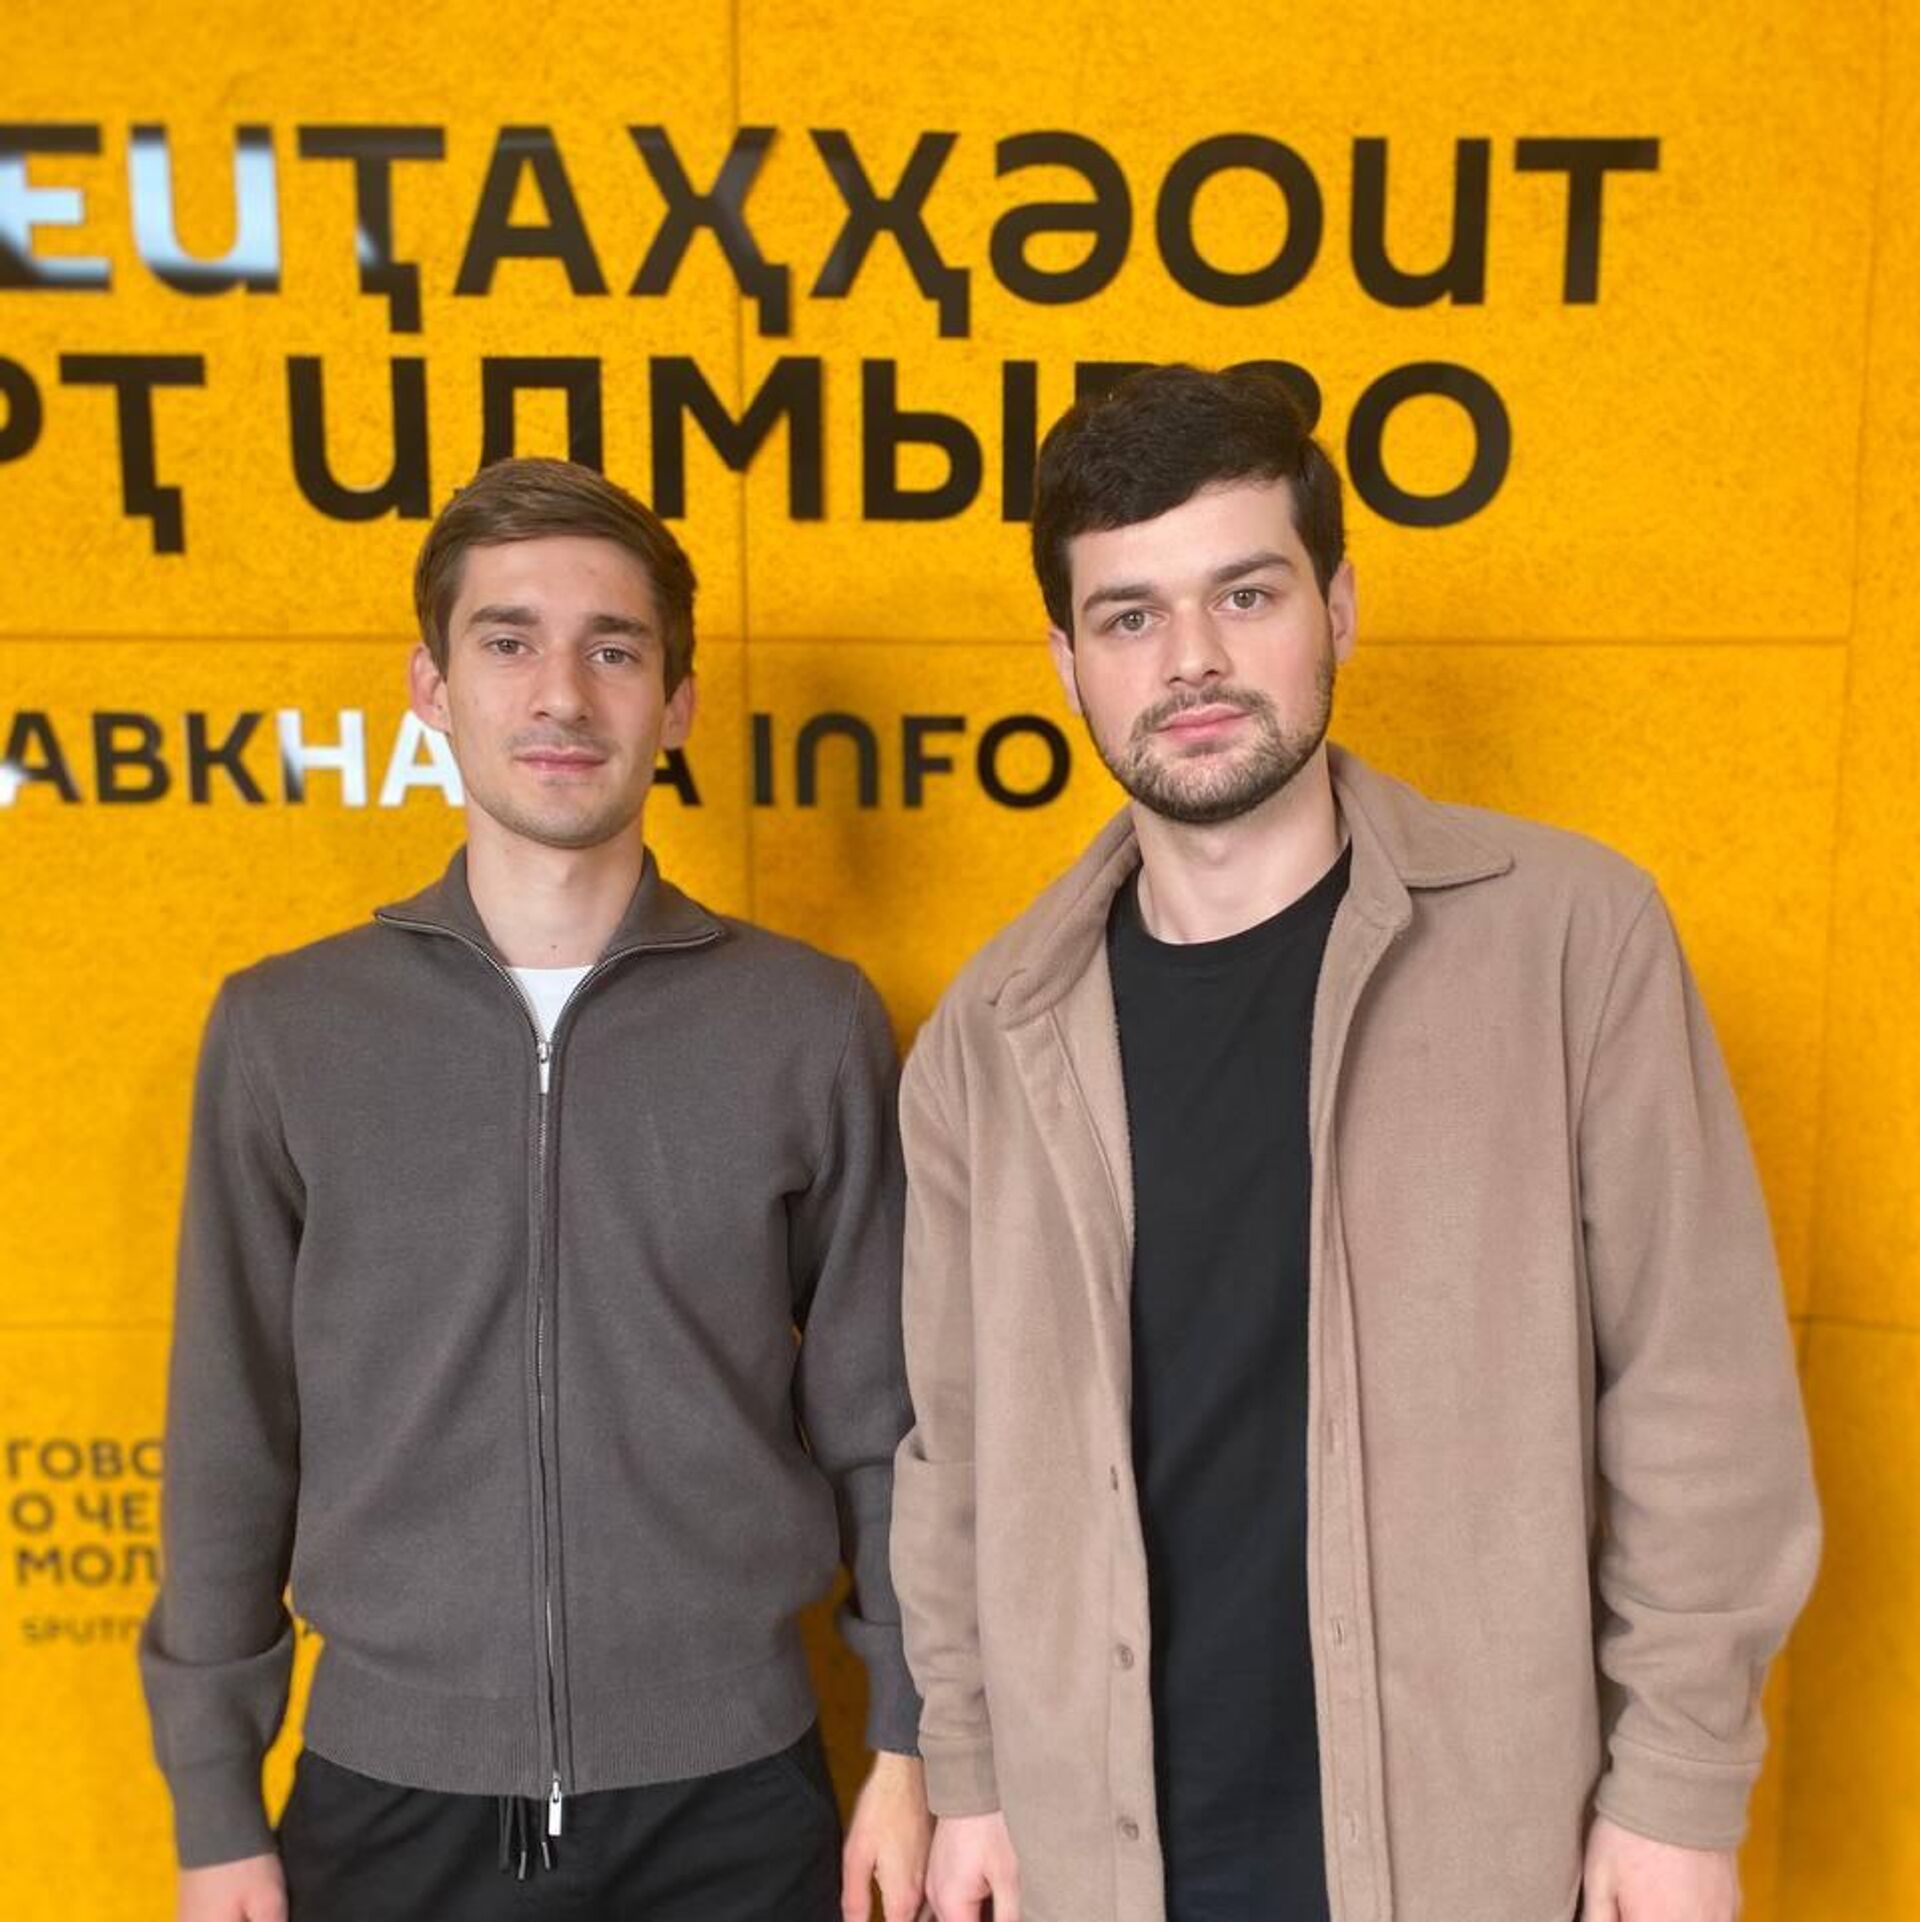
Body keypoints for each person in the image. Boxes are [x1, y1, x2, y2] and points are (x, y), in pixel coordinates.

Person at [891, 365, 1819, 1922]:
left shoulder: (1571, 939)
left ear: (1338, 606)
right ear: (1066, 662)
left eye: (1245, 594)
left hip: (1476, 1843)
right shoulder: (989, 1033)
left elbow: (1698, 1389)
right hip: (1098, 1849)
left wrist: (1676, 1784)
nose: (1191, 659)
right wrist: (969, 1766)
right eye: (1129, 616)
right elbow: (956, 1448)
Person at [141, 457, 930, 1922]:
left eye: (612, 650)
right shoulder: (287, 1029)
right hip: (385, 1800)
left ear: (675, 704)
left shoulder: (807, 1022)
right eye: (507, 642)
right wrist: (214, 1807)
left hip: (736, 1798)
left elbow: (885, 1423)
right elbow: (230, 1432)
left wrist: (909, 1740)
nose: (560, 693)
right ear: (431, 688)